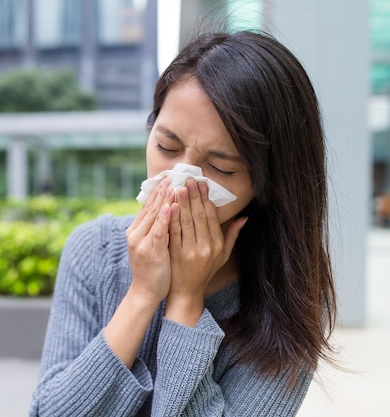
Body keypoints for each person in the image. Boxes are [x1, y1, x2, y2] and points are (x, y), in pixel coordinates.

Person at [29, 29, 337, 416]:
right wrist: (142, 295)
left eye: (220, 166)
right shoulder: (94, 249)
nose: (180, 179)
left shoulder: (288, 302)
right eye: (166, 147)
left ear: (269, 182)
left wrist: (186, 302)